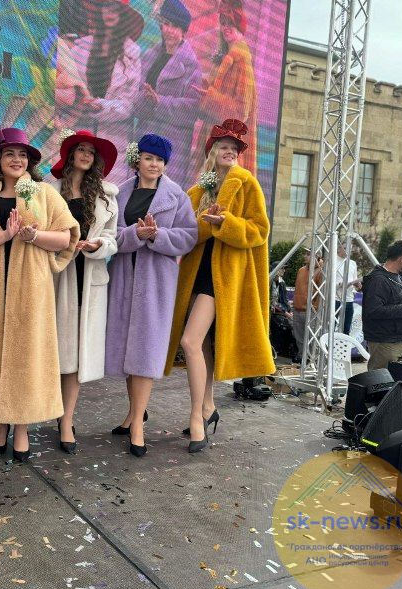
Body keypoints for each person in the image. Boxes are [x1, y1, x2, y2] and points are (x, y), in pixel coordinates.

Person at [0, 128, 79, 462]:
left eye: (22, 154)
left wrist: (33, 236)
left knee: (25, 358)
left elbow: (66, 237)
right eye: (9, 153)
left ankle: (21, 428)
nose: (16, 160)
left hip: (30, 290)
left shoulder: (44, 193)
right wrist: (5, 235)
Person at [165, 118, 274, 452]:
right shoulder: (198, 191)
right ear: (211, 152)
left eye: (234, 148)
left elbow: (259, 230)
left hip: (225, 277)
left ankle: (196, 417)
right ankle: (208, 405)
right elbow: (188, 234)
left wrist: (225, 223)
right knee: (204, 344)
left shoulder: (246, 183)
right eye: (223, 146)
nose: (230, 151)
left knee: (190, 340)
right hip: (197, 273)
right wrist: (205, 223)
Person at [106, 134, 197, 456]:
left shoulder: (177, 196)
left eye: (159, 160)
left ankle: (138, 427)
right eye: (148, 158)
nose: (154, 164)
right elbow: (110, 235)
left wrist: (157, 235)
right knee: (128, 352)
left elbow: (188, 236)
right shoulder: (120, 194)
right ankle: (133, 413)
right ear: (137, 160)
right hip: (123, 279)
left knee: (144, 352)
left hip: (156, 282)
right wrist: (135, 233)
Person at [51, 130, 119, 454]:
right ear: (70, 154)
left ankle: (66, 421)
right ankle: (39, 412)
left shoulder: (106, 196)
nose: (86, 155)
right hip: (56, 274)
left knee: (76, 354)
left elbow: (112, 238)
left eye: (91, 152)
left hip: (88, 276)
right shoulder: (50, 191)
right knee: (53, 349)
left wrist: (97, 245)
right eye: (80, 149)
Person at [55, 0, 143, 182]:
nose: (109, 13)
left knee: (105, 194)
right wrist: (77, 98)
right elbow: (64, 85)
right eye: (105, 7)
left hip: (112, 139)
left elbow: (129, 104)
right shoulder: (80, 47)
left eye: (114, 9)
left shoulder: (132, 53)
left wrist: (100, 106)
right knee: (73, 190)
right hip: (80, 132)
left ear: (123, 14)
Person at [134, 0, 201, 188]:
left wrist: (160, 102)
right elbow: (136, 95)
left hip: (173, 146)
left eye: (175, 26)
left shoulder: (191, 65)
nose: (169, 30)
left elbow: (192, 108)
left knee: (165, 195)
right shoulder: (149, 56)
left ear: (183, 31)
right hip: (145, 137)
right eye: (166, 24)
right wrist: (145, 101)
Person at [191, 0, 257, 175]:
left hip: (228, 148)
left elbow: (242, 111)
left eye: (230, 23)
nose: (225, 28)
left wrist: (211, 98)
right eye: (223, 23)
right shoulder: (226, 56)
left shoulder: (241, 59)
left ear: (239, 25)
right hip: (214, 141)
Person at [362, 240, 402, 371]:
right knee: (382, 379)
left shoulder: (395, 276)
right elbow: (374, 311)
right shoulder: (378, 279)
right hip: (385, 341)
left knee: (397, 378)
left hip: (397, 339)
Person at [292, 251, 323, 360]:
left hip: (311, 311)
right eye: (304, 253)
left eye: (308, 254)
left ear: (317, 256)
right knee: (299, 336)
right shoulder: (301, 270)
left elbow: (321, 293)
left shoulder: (321, 271)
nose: (305, 256)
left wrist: (315, 307)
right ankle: (302, 358)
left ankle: (312, 360)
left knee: (312, 337)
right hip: (298, 309)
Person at [334, 241, 360, 335]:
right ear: (339, 249)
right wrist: (341, 284)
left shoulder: (353, 263)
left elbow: (355, 280)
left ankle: (343, 344)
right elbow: (327, 282)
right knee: (331, 327)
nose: (348, 250)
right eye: (345, 248)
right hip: (335, 299)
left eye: (350, 248)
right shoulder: (332, 261)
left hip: (349, 299)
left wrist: (357, 284)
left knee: (346, 328)